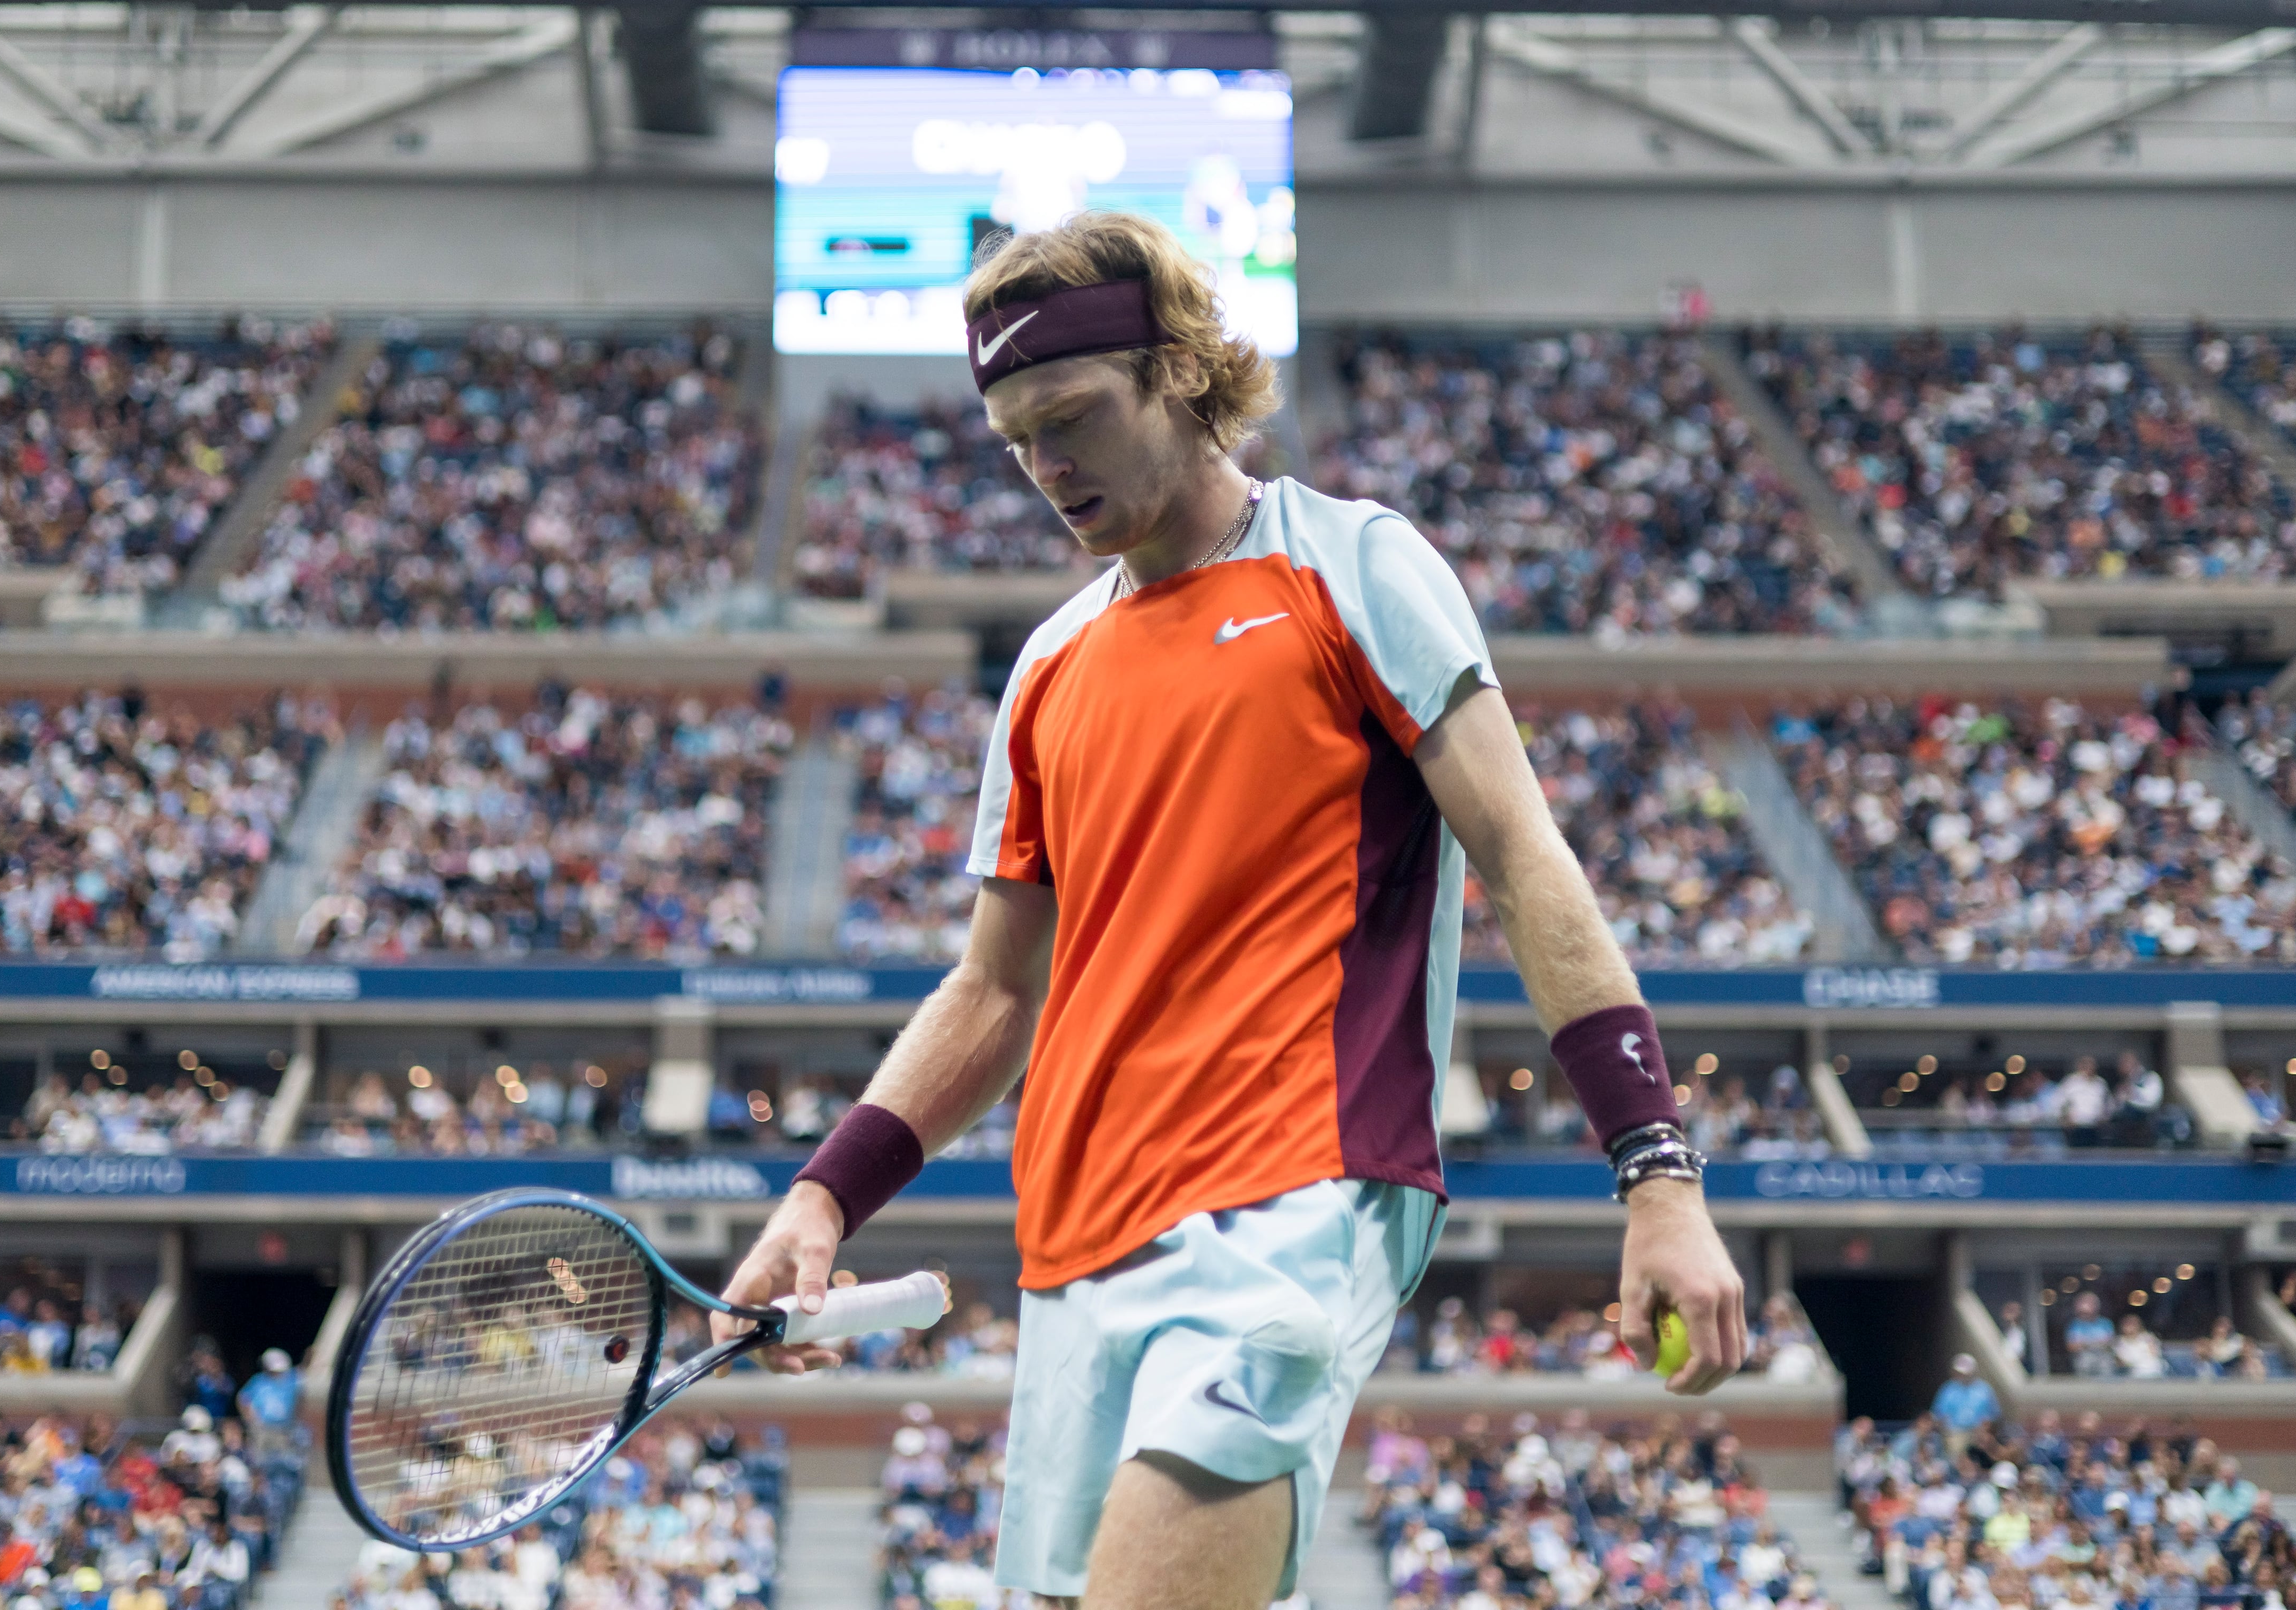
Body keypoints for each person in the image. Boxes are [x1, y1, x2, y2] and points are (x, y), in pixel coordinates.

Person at [713, 211, 1746, 1610]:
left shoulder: (1353, 567)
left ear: (1184, 373)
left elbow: (1522, 857)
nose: (1045, 467)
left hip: (1289, 1206)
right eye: (1016, 437)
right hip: (1075, 1248)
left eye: (1072, 415)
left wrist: (1659, 1179)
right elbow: (993, 988)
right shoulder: (1048, 669)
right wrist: (826, 1196)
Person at [237, 1347, 301, 1457]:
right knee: (262, 1461)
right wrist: (252, 1421)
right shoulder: (259, 1382)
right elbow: (243, 1399)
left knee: (285, 1460)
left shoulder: (293, 1379)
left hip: (286, 1430)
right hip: (263, 1430)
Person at [1932, 1355, 1998, 1454]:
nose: (1963, 1376)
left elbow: (1995, 1415)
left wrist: (1985, 1428)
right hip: (1955, 1433)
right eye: (1960, 1373)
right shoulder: (1948, 1390)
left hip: (1979, 1433)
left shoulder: (1985, 1390)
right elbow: (1938, 1416)